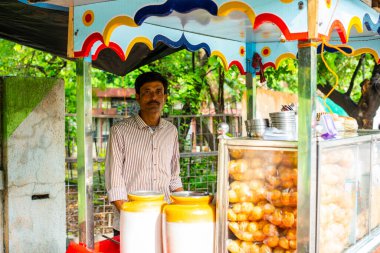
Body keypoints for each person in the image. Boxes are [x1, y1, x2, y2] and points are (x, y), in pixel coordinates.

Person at [105, 71, 183, 236]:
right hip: (131, 221)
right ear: (138, 97)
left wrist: (185, 205)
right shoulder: (120, 131)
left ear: (165, 97)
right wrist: (132, 216)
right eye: (147, 92)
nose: (153, 97)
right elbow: (114, 182)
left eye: (158, 92)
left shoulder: (171, 131)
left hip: (164, 219)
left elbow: (174, 178)